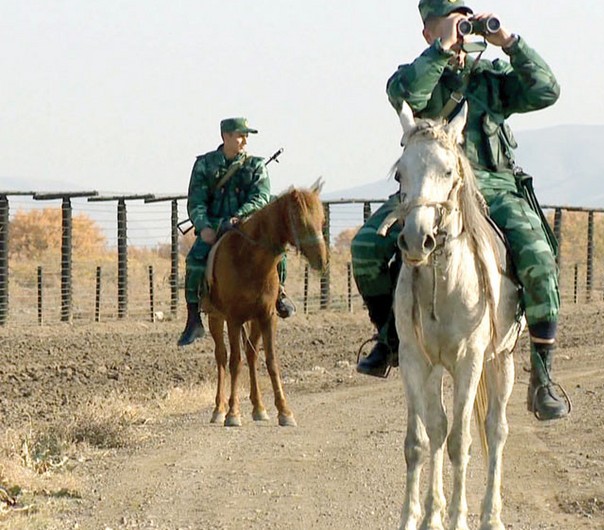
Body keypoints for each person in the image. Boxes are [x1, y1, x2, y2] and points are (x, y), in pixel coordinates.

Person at [350, 0, 569, 420]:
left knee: (539, 258)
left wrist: (509, 42)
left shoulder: (492, 78)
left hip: (493, 184)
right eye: (451, 23)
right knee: (365, 248)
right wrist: (441, 51)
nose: (462, 31)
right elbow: (407, 96)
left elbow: (546, 91)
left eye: (465, 22)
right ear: (427, 31)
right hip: (430, 189)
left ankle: (542, 377)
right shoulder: (412, 77)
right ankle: (390, 339)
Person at [177, 117, 296, 347]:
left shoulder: (256, 166)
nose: (244, 140)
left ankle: (279, 294)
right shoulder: (205, 165)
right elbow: (196, 200)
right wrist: (204, 228)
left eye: (246, 136)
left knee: (277, 254)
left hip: (248, 228)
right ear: (226, 136)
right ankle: (194, 318)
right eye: (240, 135)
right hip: (216, 227)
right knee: (194, 261)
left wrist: (240, 216)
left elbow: (261, 197)